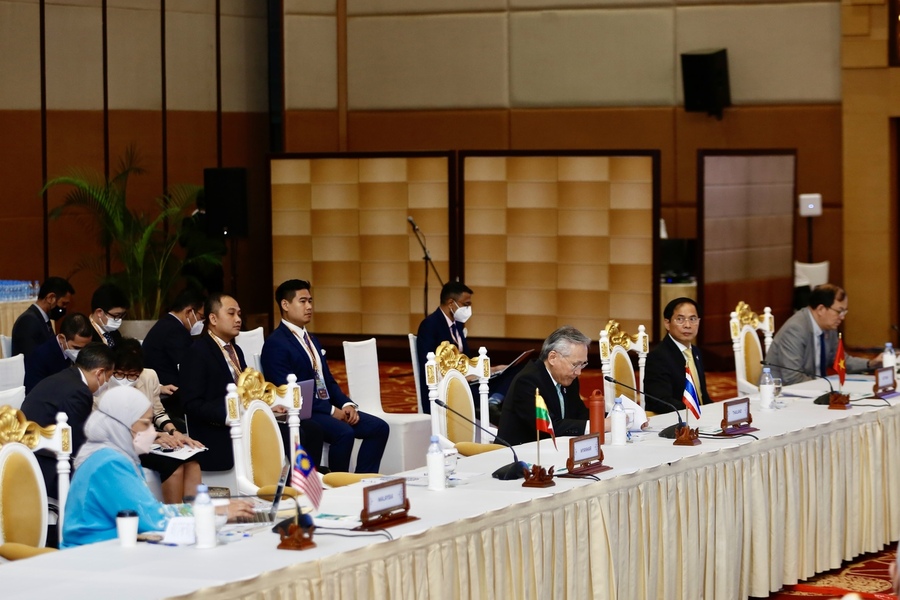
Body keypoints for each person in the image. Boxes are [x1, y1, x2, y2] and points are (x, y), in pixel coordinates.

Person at [61, 387, 253, 548]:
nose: (153, 433)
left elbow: (151, 511)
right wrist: (213, 511)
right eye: (146, 424)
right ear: (122, 424)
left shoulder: (114, 455)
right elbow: (152, 519)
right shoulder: (109, 462)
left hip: (114, 548)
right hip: (93, 555)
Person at [260, 279, 389, 473]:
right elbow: (287, 392)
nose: (309, 306)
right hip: (304, 412)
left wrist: (346, 404)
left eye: (310, 301)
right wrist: (331, 411)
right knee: (344, 433)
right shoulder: (276, 343)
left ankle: (362, 480)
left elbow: (327, 380)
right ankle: (338, 484)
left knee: (379, 428)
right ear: (285, 305)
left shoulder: (311, 339)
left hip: (325, 407)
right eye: (302, 301)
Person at [109, 339, 204, 504]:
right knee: (172, 466)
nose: (125, 379)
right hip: (123, 443)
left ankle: (194, 513)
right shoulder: (104, 384)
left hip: (149, 439)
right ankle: (173, 515)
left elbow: (158, 412)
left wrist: (175, 432)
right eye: (120, 374)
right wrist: (155, 436)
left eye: (132, 375)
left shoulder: (149, 376)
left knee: (192, 461)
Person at [21, 342, 114, 501]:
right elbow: (79, 443)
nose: (107, 384)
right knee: (109, 482)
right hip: (47, 468)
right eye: (109, 378)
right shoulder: (79, 391)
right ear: (99, 373)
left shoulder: (65, 377)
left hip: (28, 457)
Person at [415, 281, 519, 419]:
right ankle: (493, 406)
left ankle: (494, 402)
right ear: (451, 303)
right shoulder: (430, 325)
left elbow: (466, 360)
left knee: (514, 372)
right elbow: (428, 367)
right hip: (446, 387)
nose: (468, 309)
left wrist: (494, 369)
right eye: (466, 304)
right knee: (494, 398)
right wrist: (462, 378)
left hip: (467, 380)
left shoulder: (457, 324)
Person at [179, 293, 247, 471]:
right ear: (213, 319)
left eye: (239, 314)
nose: (238, 319)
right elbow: (191, 403)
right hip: (217, 429)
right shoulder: (197, 352)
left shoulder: (236, 350)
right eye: (231, 313)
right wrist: (229, 415)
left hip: (244, 421)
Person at [498, 326, 596, 446]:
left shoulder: (568, 378)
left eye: (583, 364)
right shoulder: (527, 381)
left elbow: (580, 414)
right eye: (575, 364)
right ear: (552, 358)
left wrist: (612, 418)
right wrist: (597, 425)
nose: (578, 372)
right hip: (520, 453)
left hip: (554, 449)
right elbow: (549, 427)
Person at [766, 283, 879, 386]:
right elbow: (792, 378)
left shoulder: (829, 326)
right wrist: (825, 387)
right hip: (780, 393)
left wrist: (871, 363)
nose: (842, 317)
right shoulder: (795, 329)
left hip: (814, 389)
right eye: (839, 311)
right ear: (821, 309)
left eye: (844, 311)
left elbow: (840, 361)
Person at [141, 288, 206, 420]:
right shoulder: (175, 331)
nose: (202, 323)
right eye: (201, 317)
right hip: (169, 399)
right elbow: (190, 368)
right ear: (189, 312)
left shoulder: (166, 323)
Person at [642, 297, 712, 414]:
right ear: (667, 323)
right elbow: (661, 401)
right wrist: (694, 413)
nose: (688, 325)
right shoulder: (658, 356)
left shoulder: (695, 352)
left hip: (698, 416)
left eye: (693, 319)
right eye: (680, 319)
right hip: (674, 419)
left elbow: (702, 396)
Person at [24, 312, 93, 393]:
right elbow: (34, 392)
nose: (81, 352)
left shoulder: (87, 351)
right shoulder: (40, 357)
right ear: (61, 338)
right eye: (76, 348)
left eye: (85, 347)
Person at [10, 276, 75, 358]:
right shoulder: (28, 321)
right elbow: (31, 358)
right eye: (63, 303)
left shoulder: (43, 319)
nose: (64, 308)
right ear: (51, 298)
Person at [88, 283, 129, 349]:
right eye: (116, 315)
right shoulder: (86, 334)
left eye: (122, 315)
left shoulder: (115, 333)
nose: (119, 319)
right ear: (99, 312)